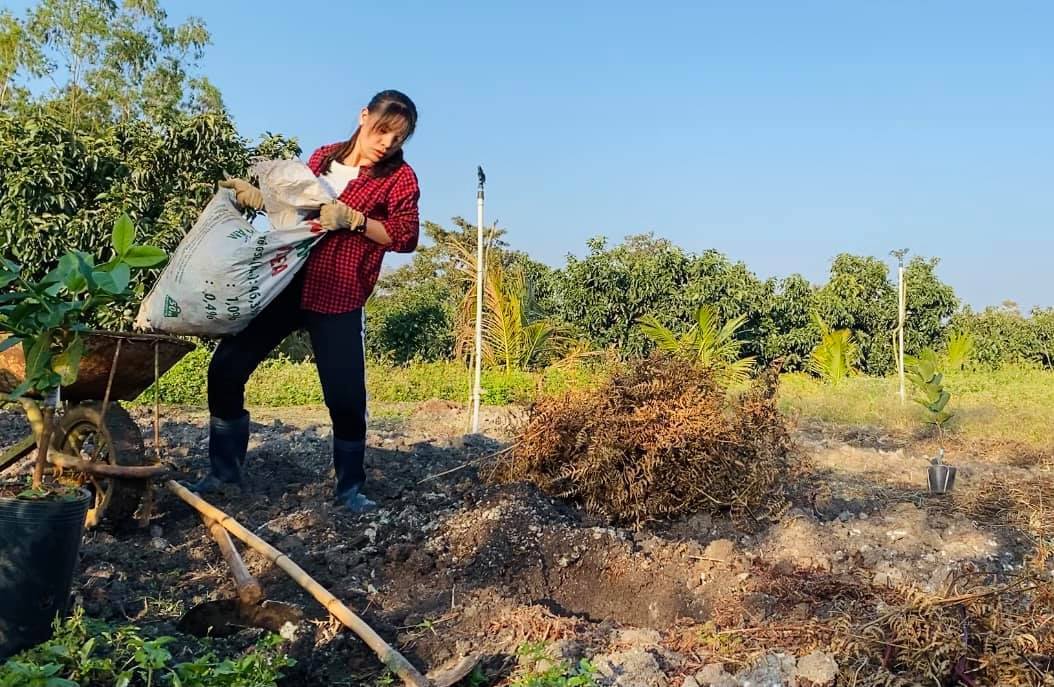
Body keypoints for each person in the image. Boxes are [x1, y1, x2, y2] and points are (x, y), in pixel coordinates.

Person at [190, 90, 420, 512]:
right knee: (226, 368)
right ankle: (224, 472)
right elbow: (292, 213)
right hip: (285, 283)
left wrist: (355, 220)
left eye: (398, 137)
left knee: (346, 399)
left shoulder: (399, 178)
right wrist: (260, 199)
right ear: (364, 116)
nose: (387, 143)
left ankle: (350, 488)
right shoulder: (323, 157)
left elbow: (405, 237)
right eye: (382, 130)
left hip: (338, 291)